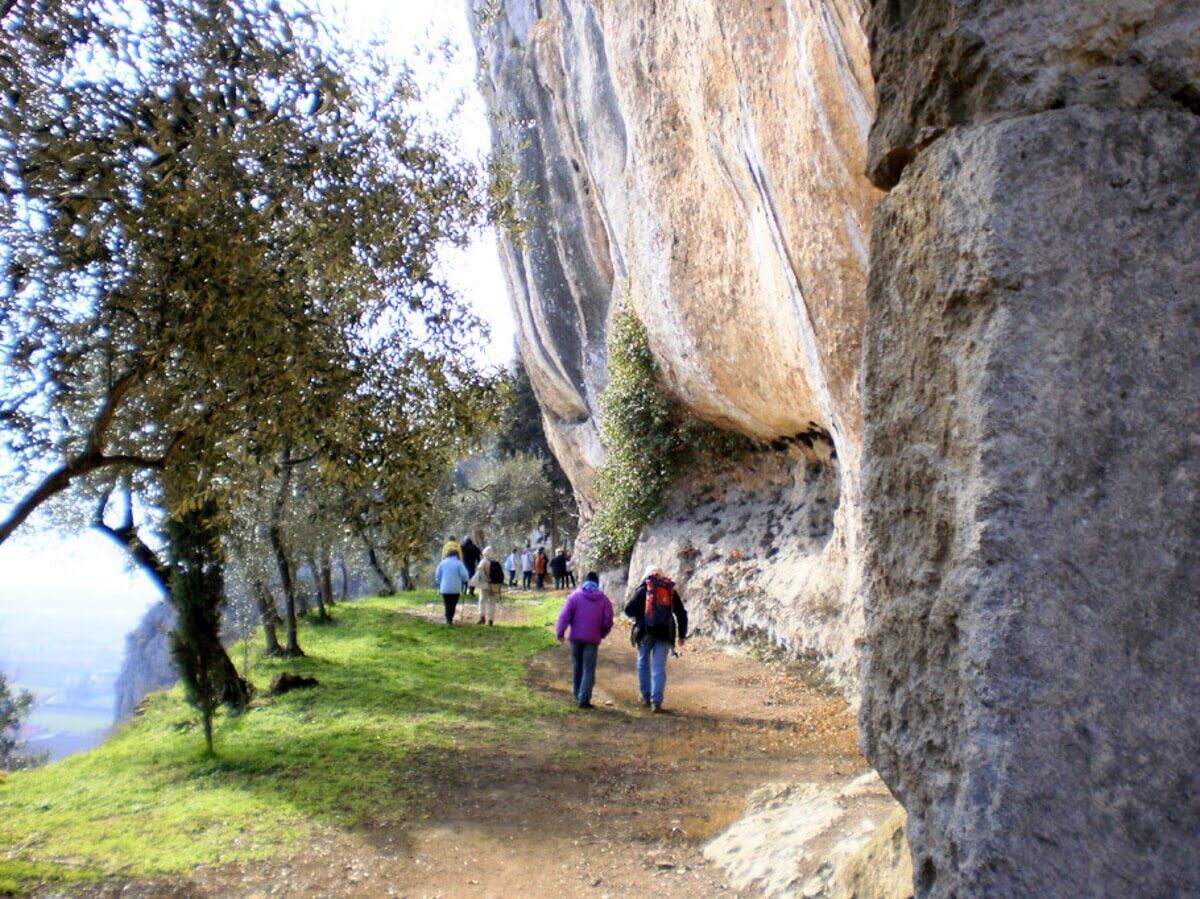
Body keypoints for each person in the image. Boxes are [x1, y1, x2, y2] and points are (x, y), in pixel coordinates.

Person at [624, 565, 688, 712]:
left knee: (643, 662)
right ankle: (656, 702)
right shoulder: (670, 590)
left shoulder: (644, 589)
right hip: (665, 634)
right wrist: (682, 635)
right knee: (659, 667)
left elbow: (628, 609)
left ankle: (645, 695)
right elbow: (681, 613)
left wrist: (641, 616)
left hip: (645, 633)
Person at [555, 572, 614, 708]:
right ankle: (584, 699)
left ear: (585, 582)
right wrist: (602, 633)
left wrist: (560, 632)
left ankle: (577, 695)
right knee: (588, 669)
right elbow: (608, 620)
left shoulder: (575, 596)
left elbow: (564, 615)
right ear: (597, 583)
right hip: (592, 639)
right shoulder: (603, 599)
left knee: (577, 666)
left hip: (575, 638)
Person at [434, 547, 470, 626]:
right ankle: (450, 618)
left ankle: (448, 618)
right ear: (456, 555)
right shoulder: (459, 563)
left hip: (445, 588)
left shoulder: (442, 563)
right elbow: (465, 575)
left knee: (447, 604)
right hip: (455, 588)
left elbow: (437, 575)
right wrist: (465, 581)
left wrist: (439, 582)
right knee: (453, 604)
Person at [474, 545, 505, 625]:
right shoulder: (495, 562)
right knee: (492, 602)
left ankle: (482, 617)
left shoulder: (483, 561)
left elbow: (480, 572)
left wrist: (485, 579)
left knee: (482, 601)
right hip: (494, 585)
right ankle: (491, 620)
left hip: (485, 585)